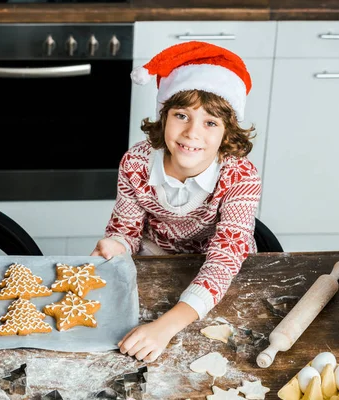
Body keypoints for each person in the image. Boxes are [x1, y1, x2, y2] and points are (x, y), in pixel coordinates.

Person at [91, 41, 262, 363]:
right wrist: (116, 244)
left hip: (221, 277)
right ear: (163, 116)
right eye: (181, 116)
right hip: (154, 263)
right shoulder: (136, 162)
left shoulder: (241, 176)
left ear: (227, 133)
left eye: (210, 123)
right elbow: (125, 229)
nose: (192, 133)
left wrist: (165, 326)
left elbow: (226, 257)